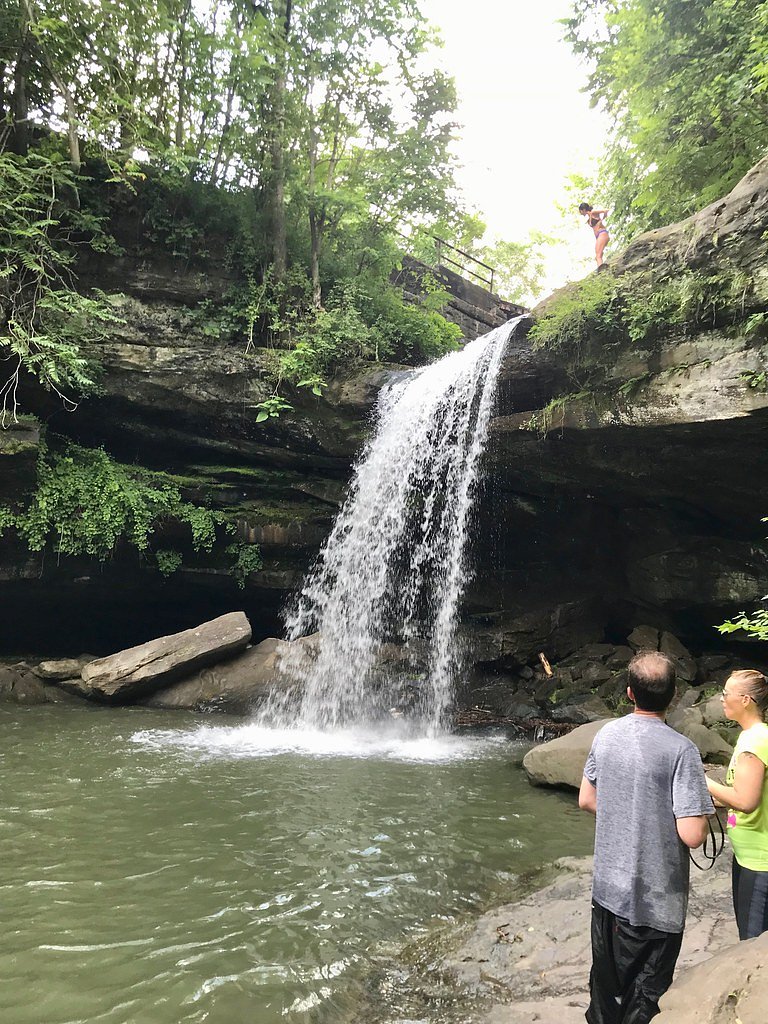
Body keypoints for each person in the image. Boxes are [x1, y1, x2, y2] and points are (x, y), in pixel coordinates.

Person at [578, 650, 713, 1024]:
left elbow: (587, 799)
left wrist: (627, 814)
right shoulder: (681, 750)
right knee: (645, 999)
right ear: (673, 695)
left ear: (629, 693)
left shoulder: (605, 734)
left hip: (607, 894)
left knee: (605, 990)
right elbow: (693, 835)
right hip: (657, 904)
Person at [705, 669, 768, 940]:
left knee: (752, 943)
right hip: (746, 854)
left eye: (726, 694)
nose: (721, 699)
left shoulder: (756, 740)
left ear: (745, 700)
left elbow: (746, 801)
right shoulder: (751, 735)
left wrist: (702, 781)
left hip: (760, 860)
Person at [579, 202, 610, 268]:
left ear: (583, 210)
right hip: (599, 236)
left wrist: (602, 220)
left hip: (602, 233)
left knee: (598, 256)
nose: (580, 213)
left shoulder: (593, 212)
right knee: (598, 256)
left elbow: (605, 210)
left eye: (580, 211)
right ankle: (602, 268)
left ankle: (602, 271)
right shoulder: (589, 216)